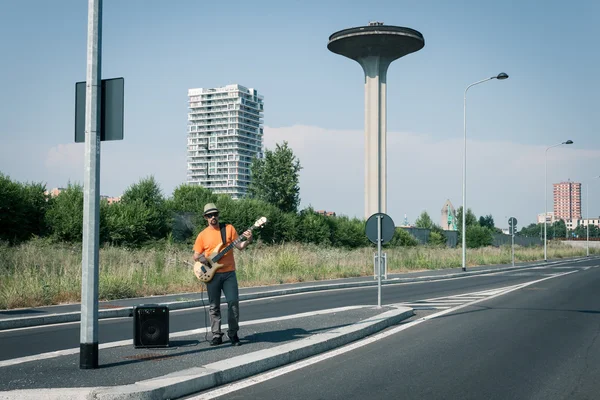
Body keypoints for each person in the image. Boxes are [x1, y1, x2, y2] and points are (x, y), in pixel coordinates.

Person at [193, 203, 252, 346]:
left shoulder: (229, 229)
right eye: (209, 215)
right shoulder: (202, 235)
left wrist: (249, 240)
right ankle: (216, 335)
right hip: (212, 274)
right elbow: (196, 255)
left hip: (229, 273)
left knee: (233, 303)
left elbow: (240, 247)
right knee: (214, 306)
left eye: (215, 214)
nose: (213, 217)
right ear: (205, 218)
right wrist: (205, 260)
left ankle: (233, 333)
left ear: (218, 215)